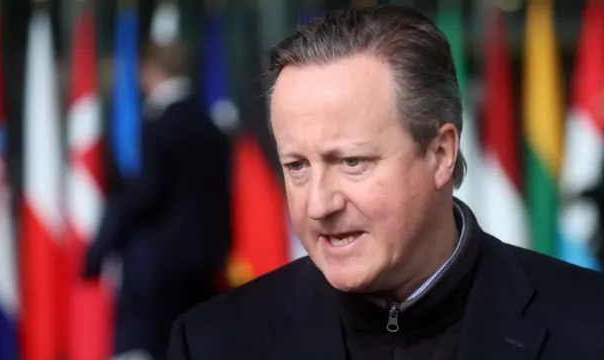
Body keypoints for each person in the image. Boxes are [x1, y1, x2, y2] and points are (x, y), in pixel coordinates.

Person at [166, 6, 604, 360]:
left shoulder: (590, 323)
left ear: (440, 154)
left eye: (352, 161)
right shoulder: (211, 342)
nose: (318, 204)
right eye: (297, 166)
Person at [83, 41, 232, 360]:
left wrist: (101, 247)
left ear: (149, 72)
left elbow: (146, 193)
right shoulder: (210, 123)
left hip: (163, 268)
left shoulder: (161, 125)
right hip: (208, 260)